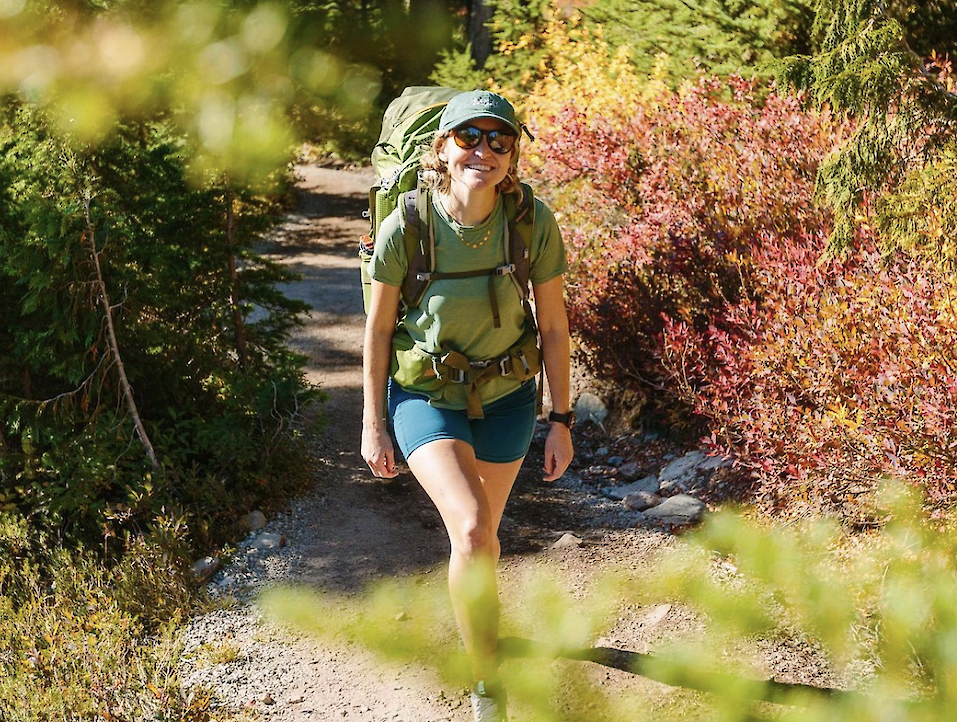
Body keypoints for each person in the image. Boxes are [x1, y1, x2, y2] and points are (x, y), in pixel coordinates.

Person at [361, 89, 574, 722]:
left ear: (512, 154)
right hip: (425, 394)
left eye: (498, 139)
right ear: (443, 148)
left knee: (484, 540)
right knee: (474, 528)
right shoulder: (409, 223)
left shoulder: (531, 222)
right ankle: (488, 687)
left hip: (509, 395)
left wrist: (560, 420)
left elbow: (555, 327)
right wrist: (374, 424)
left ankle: (478, 630)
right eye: (468, 137)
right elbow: (376, 330)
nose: (483, 150)